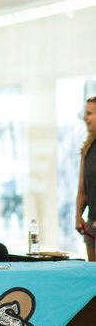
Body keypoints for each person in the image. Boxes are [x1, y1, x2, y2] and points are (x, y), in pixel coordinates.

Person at [76, 96, 96, 262]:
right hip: (92, 223)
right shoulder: (87, 149)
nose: (84, 117)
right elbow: (82, 188)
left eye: (89, 113)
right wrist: (78, 216)